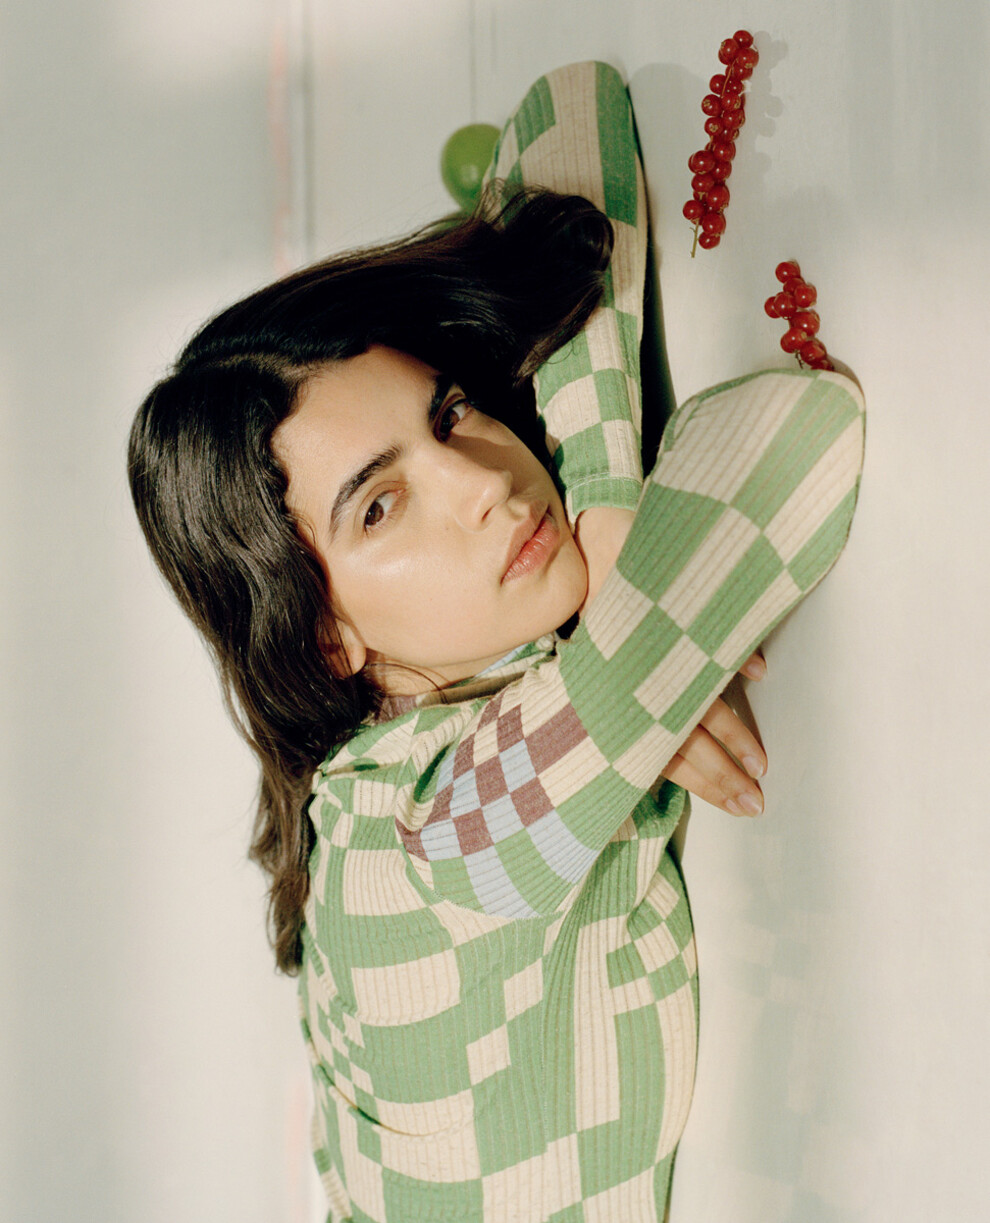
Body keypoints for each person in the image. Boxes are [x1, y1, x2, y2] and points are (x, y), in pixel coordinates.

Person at [128, 63, 865, 1223]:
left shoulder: (405, 755)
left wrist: (612, 529)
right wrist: (627, 624)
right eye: (381, 506)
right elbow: (801, 441)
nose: (482, 481)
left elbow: (566, 114)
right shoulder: (443, 835)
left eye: (450, 412)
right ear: (324, 635)